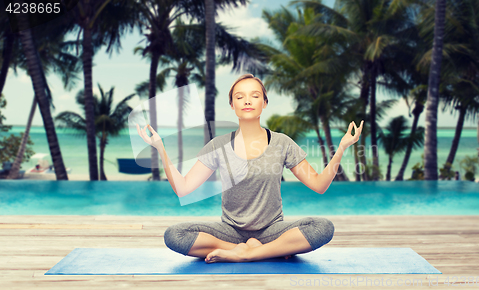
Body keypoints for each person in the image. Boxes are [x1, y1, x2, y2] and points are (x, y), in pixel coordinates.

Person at [136, 74, 363, 263]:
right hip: (230, 233)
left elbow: (319, 185)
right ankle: (260, 250)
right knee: (174, 235)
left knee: (322, 227)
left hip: (272, 230)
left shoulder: (282, 143)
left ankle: (249, 254)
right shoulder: (218, 146)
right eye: (239, 96)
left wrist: (342, 148)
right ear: (232, 105)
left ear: (264, 103)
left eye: (255, 96)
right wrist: (161, 148)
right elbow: (183, 188)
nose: (247, 101)